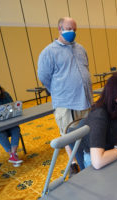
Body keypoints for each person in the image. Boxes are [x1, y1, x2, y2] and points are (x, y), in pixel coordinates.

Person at [38, 17, 93, 172]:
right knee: (69, 136)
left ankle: (88, 160)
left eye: (74, 29)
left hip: (85, 101)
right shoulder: (48, 52)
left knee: (86, 133)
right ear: (60, 29)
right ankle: (74, 165)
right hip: (66, 103)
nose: (72, 32)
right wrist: (61, 90)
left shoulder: (81, 49)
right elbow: (44, 78)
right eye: (68, 29)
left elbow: (85, 70)